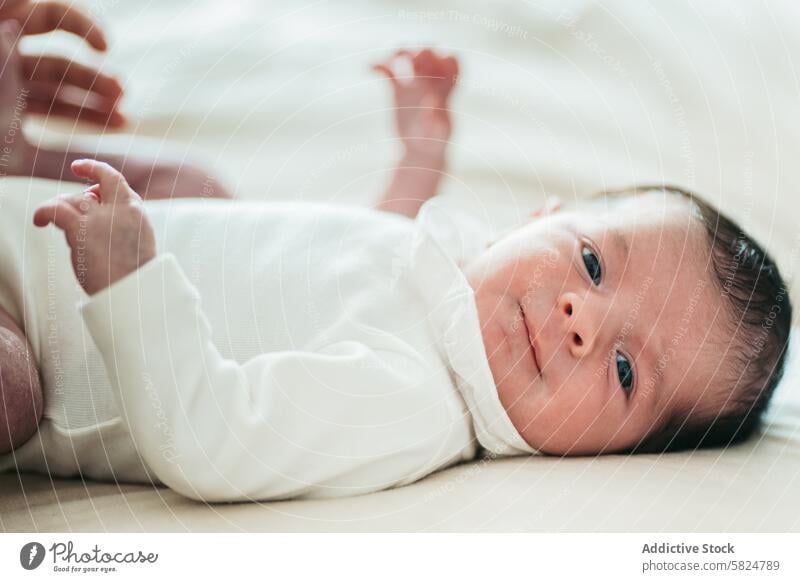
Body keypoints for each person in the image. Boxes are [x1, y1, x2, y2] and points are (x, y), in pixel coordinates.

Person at [0, 32, 792, 500]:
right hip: (45, 237)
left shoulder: (412, 402)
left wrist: (135, 283)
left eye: (624, 371)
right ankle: (24, 160)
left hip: (34, 332)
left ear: (614, 456)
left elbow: (204, 443)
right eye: (591, 262)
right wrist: (421, 156)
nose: (582, 320)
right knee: (205, 187)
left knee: (13, 391)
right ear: (542, 216)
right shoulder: (444, 278)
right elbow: (363, 256)